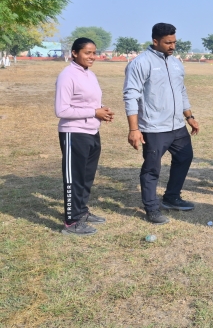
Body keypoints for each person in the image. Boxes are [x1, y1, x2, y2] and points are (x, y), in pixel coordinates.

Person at [123, 23, 200, 225]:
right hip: (154, 127)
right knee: (152, 168)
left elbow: (181, 90)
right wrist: (134, 128)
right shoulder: (140, 63)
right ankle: (151, 208)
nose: (172, 46)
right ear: (155, 41)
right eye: (168, 42)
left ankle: (171, 197)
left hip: (177, 126)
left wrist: (189, 116)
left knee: (185, 157)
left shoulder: (176, 63)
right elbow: (131, 96)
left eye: (174, 42)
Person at [55, 38, 114, 235]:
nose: (92, 57)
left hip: (91, 131)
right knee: (74, 179)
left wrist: (102, 111)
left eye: (94, 53)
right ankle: (71, 222)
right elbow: (61, 110)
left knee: (86, 176)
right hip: (74, 132)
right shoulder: (67, 76)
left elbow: (87, 102)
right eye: (87, 53)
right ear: (74, 53)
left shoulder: (90, 74)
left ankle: (81, 212)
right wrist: (94, 112)